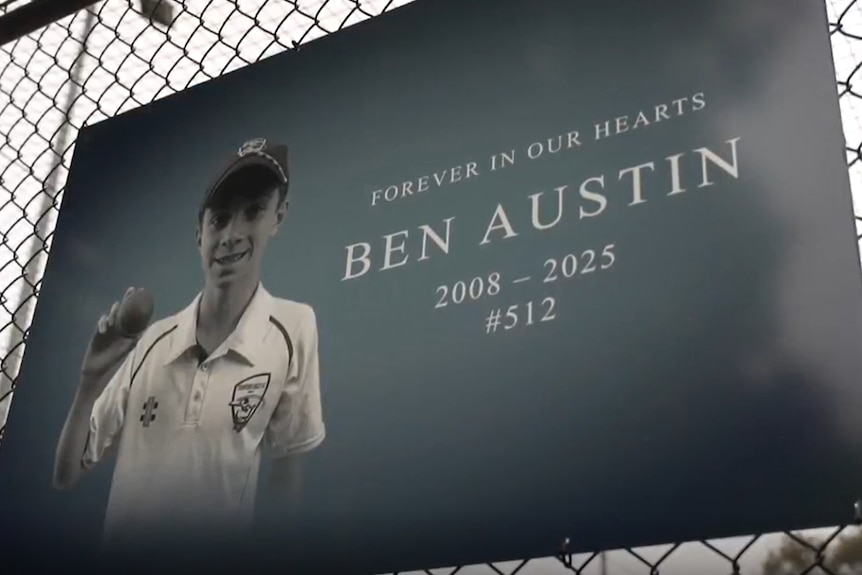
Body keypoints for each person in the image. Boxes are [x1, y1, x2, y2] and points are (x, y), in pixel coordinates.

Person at [52, 137, 325, 551]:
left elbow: (287, 476)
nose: (231, 234)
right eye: (219, 219)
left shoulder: (293, 327)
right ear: (199, 232)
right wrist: (90, 381)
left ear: (278, 216)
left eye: (253, 212)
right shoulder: (152, 342)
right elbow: (67, 473)